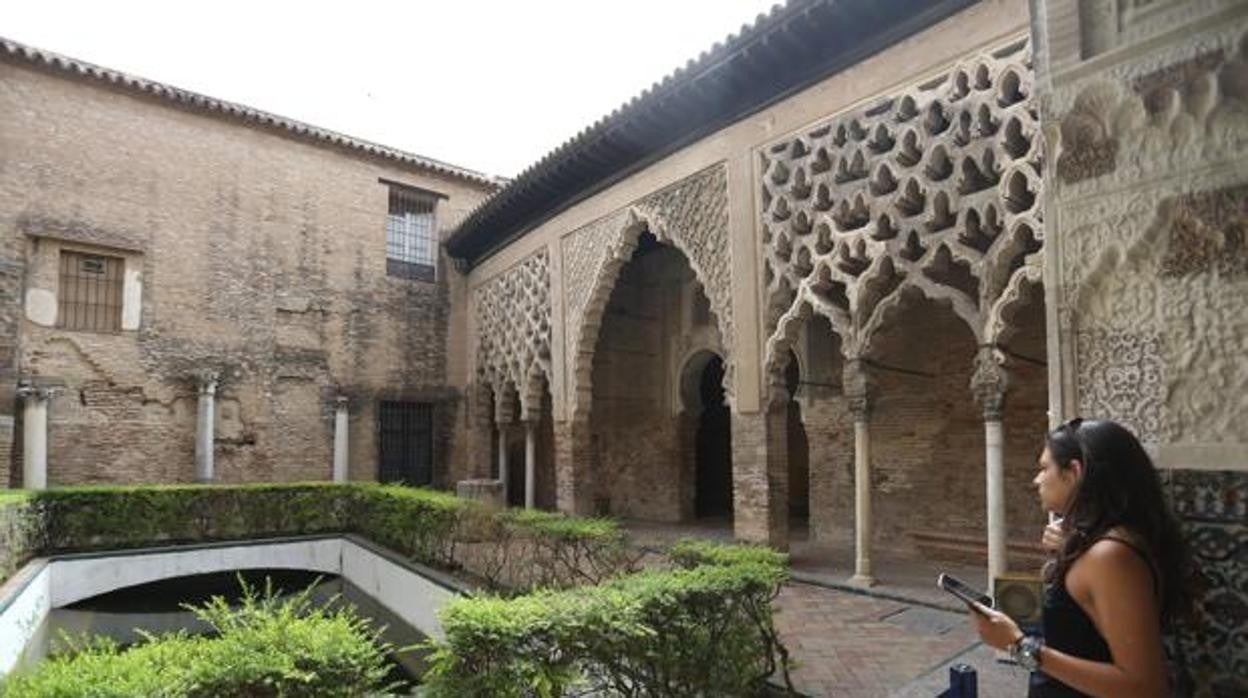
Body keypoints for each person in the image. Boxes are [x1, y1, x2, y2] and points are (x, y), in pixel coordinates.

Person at [969, 418, 1193, 698]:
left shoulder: (1110, 557)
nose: (1036, 479)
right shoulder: (1104, 545)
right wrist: (1071, 550)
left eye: (1044, 468)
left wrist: (1018, 645)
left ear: (1073, 472)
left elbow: (1145, 688)